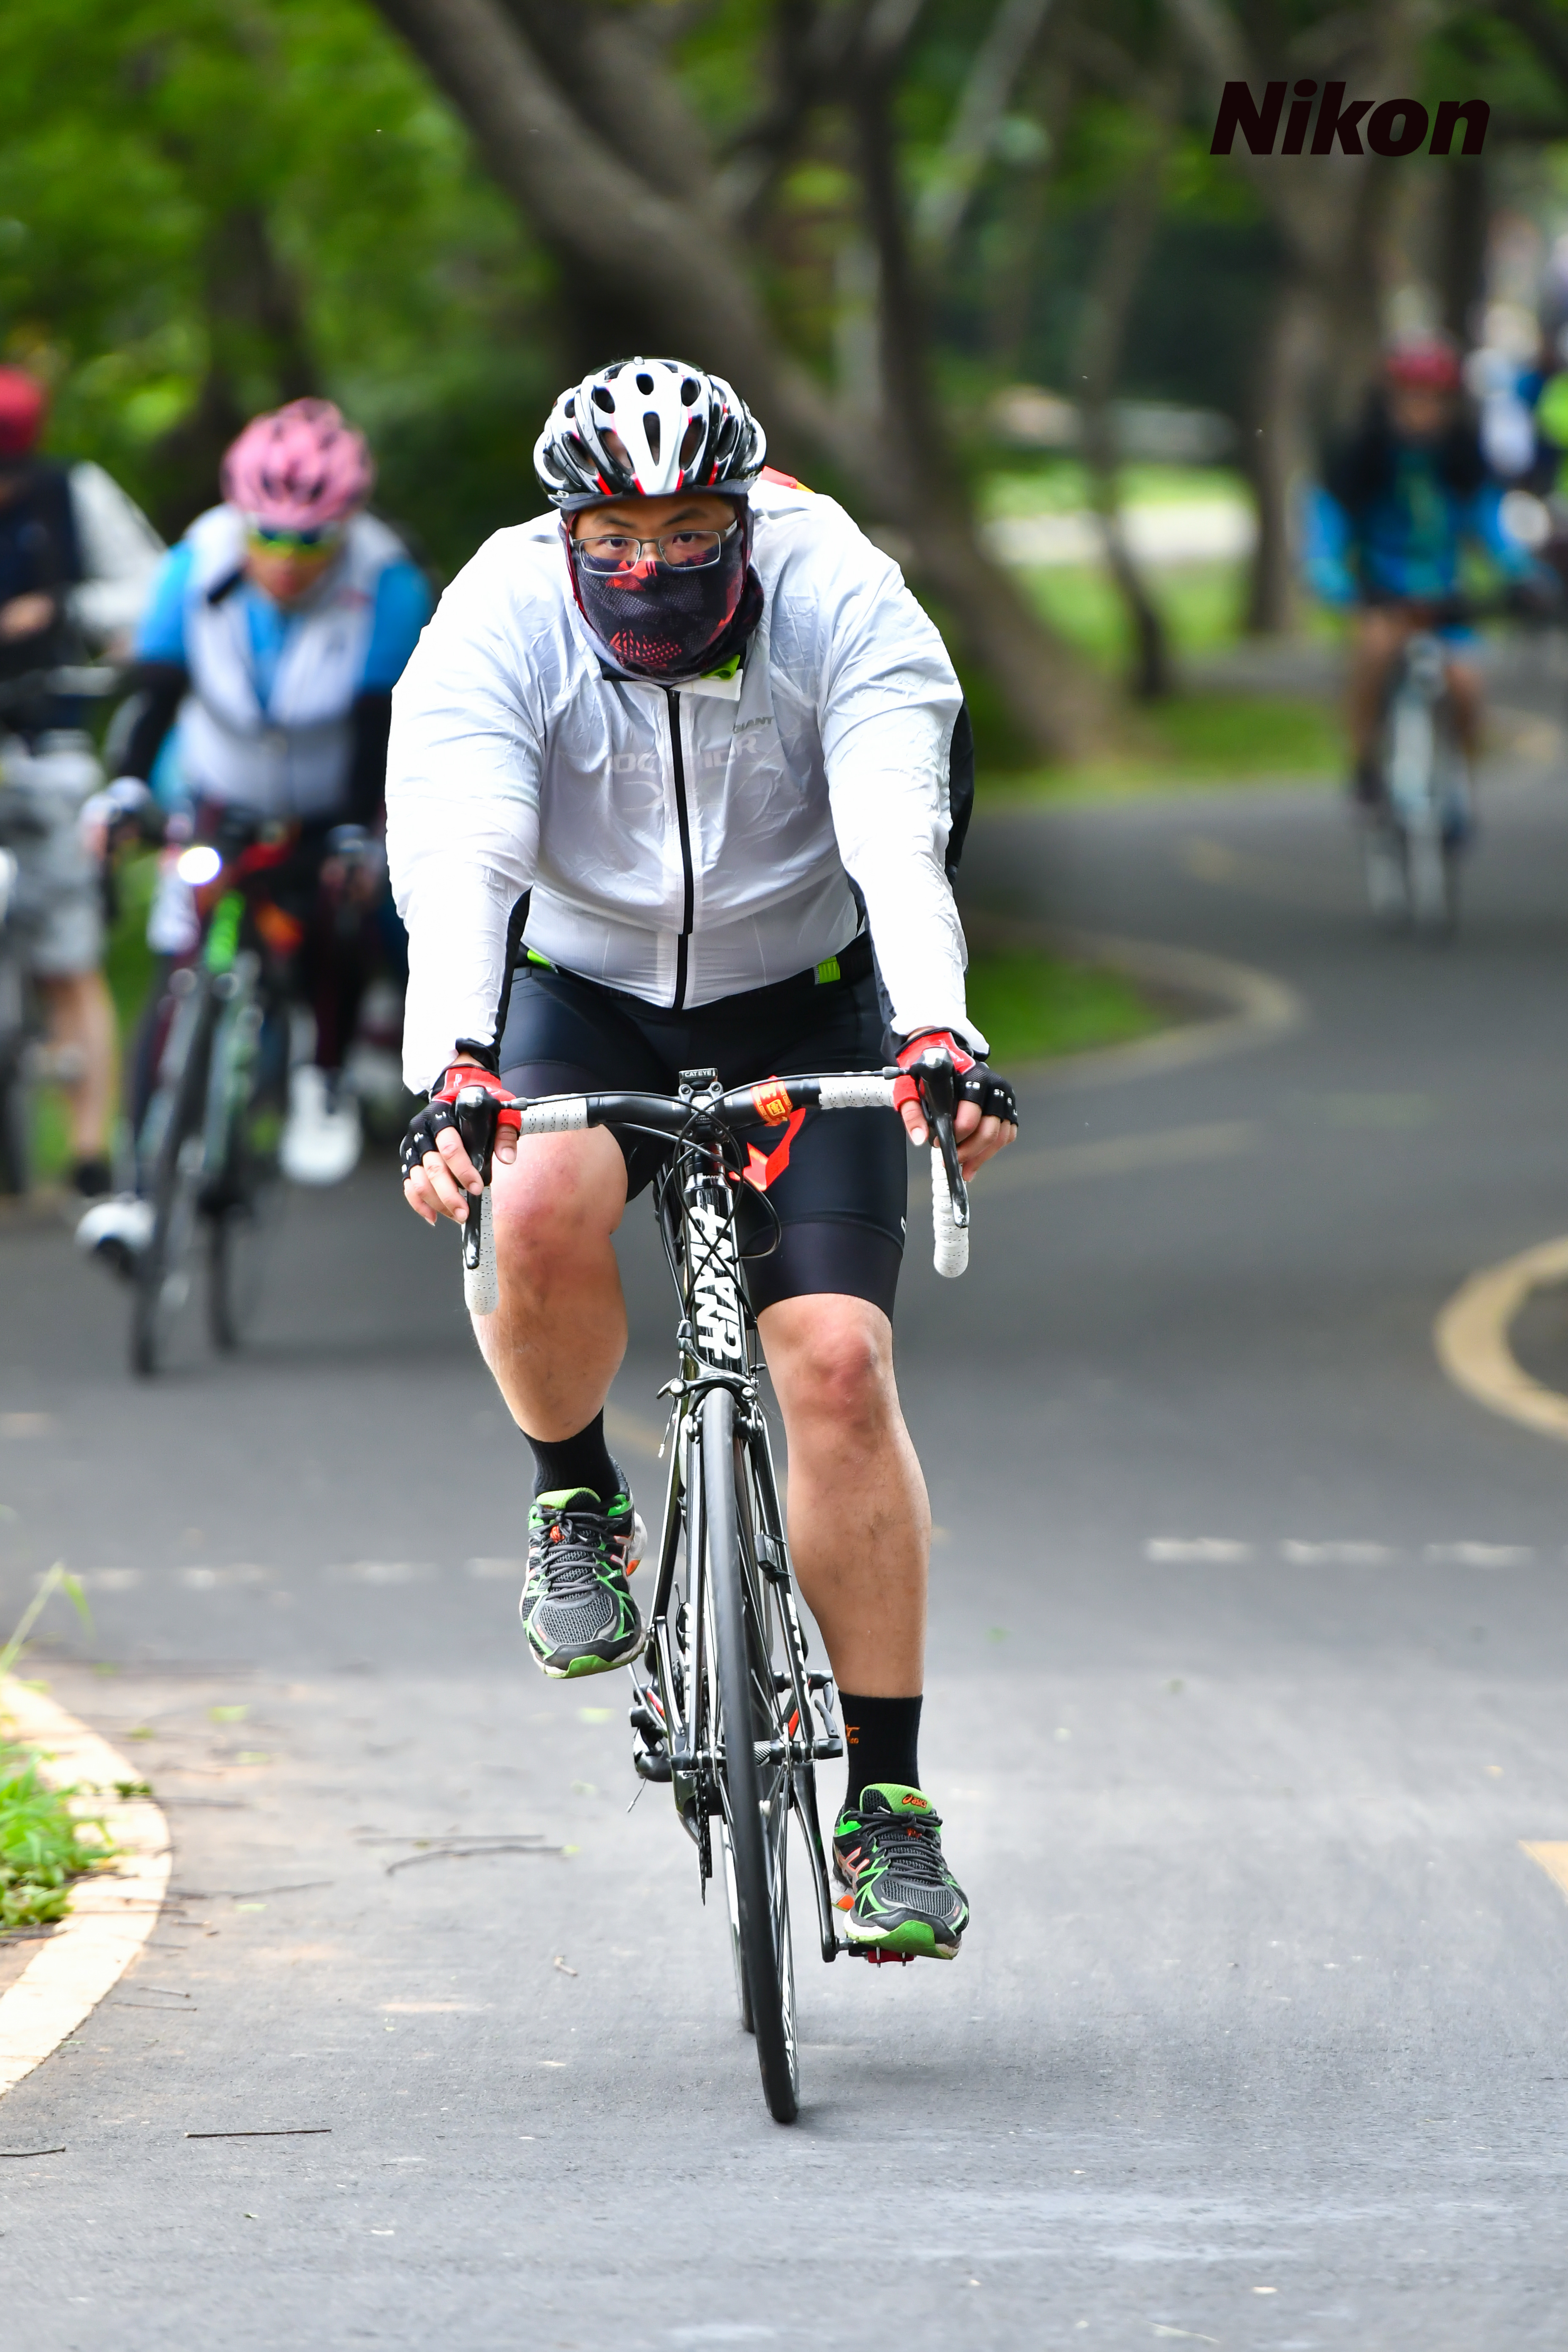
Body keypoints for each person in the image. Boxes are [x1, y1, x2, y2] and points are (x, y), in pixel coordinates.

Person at [391, 356, 1017, 1963]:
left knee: (837, 1366)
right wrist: (451, 1064)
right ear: (565, 533)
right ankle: (573, 1495)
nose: (650, 566)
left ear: (744, 516)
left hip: (805, 991)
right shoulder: (496, 615)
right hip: (581, 988)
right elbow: (459, 852)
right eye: (614, 539)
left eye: (687, 533)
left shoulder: (841, 592)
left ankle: (887, 1804)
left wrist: (937, 1034)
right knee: (532, 1204)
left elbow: (897, 831)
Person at [78, 396, 432, 1262]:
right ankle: (136, 1192)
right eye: (267, 537)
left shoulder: (387, 578)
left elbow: (377, 722)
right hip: (217, 790)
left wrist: (357, 833)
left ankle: (329, 1070)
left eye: (311, 543)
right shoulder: (197, 558)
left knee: (345, 908)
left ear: (346, 527)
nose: (285, 560)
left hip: (335, 794)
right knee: (179, 966)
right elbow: (156, 692)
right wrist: (125, 788)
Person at [0, 365, 164, 1199]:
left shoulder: (74, 495)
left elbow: (153, 590)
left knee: (69, 953)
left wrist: (63, 610)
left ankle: (91, 1147)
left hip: (50, 743)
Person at [1303, 335, 1545, 814]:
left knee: (1466, 688)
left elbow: (1491, 524)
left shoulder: (1462, 458)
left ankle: (1461, 787)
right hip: (1384, 592)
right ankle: (1365, 760)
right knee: (1374, 653)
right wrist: (1329, 576)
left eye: (1433, 399)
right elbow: (1327, 524)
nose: (1422, 410)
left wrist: (1521, 573)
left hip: (1444, 594)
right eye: (1411, 398)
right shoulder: (1363, 457)